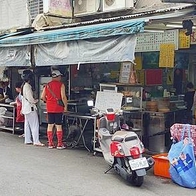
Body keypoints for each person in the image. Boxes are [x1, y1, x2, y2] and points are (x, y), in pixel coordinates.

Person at [41, 70, 68, 149]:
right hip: (58, 108)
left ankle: (50, 143)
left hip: (49, 108)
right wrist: (65, 106)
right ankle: (59, 144)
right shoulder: (61, 85)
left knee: (50, 125)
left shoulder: (47, 85)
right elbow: (63, 97)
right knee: (58, 126)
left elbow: (42, 97)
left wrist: (48, 101)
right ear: (58, 76)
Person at [21, 70, 44, 146]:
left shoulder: (23, 86)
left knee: (27, 124)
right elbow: (30, 98)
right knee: (35, 124)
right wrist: (35, 101)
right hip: (30, 108)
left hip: (25, 108)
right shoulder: (27, 86)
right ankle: (36, 140)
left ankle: (27, 139)